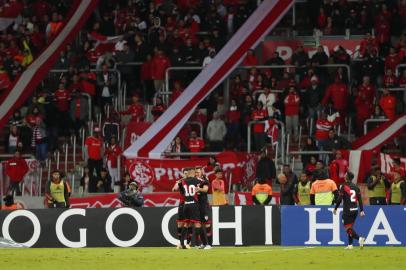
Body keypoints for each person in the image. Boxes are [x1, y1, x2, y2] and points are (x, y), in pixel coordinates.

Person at [333, 172, 366, 250]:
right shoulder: (356, 187)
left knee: (347, 229)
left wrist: (335, 208)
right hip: (355, 210)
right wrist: (361, 210)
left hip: (347, 210)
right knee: (350, 228)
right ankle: (350, 245)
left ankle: (360, 239)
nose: (344, 175)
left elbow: (340, 199)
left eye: (345, 174)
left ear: (347, 177)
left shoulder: (343, 186)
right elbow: (360, 200)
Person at [179, 167, 208, 249]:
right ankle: (196, 243)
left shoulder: (183, 181)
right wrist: (205, 179)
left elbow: (181, 190)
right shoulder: (197, 181)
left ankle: (182, 244)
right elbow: (205, 184)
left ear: (188, 173)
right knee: (197, 223)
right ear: (193, 173)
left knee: (186, 224)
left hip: (186, 205)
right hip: (193, 204)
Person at [195, 166, 212, 248]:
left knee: (207, 224)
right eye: (196, 172)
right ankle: (203, 243)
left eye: (198, 172)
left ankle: (209, 244)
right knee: (199, 224)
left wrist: (197, 189)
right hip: (196, 205)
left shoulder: (205, 181)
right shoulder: (194, 181)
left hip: (204, 205)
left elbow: (205, 189)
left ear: (201, 172)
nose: (197, 174)